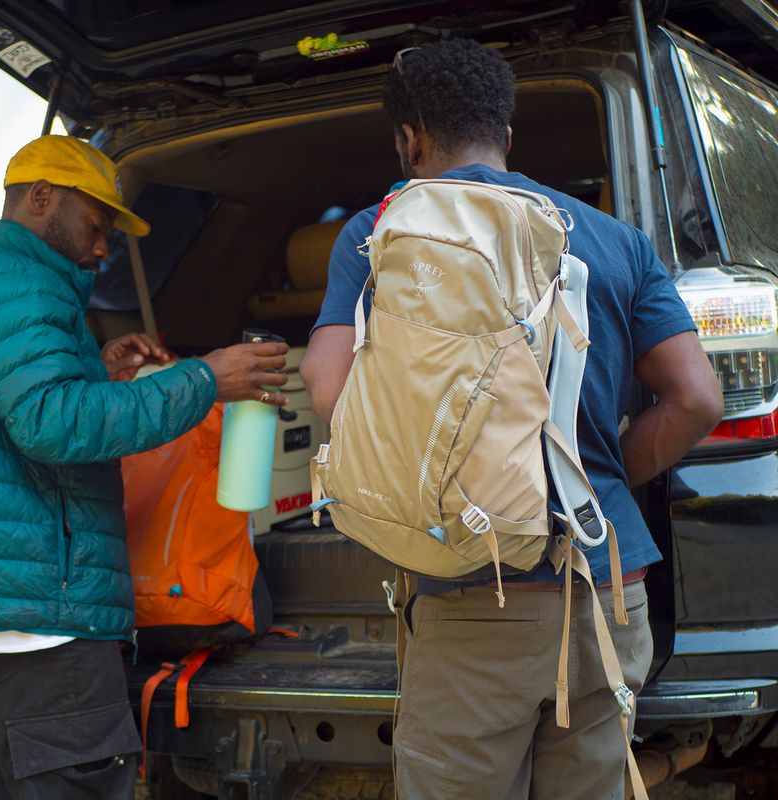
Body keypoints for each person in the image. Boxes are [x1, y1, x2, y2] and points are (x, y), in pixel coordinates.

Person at [300, 39, 723, 800]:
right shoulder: (615, 240)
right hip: (609, 588)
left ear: (411, 139)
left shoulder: (382, 231)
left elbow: (329, 393)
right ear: (507, 134)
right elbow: (697, 398)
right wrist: (588, 482)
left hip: (476, 589)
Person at [0, 134, 288, 799]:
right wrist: (205, 380)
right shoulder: (21, 278)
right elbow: (49, 422)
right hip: (43, 631)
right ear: (40, 198)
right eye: (96, 226)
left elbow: (13, 411)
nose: (101, 250)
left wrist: (101, 373)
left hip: (2, 623)